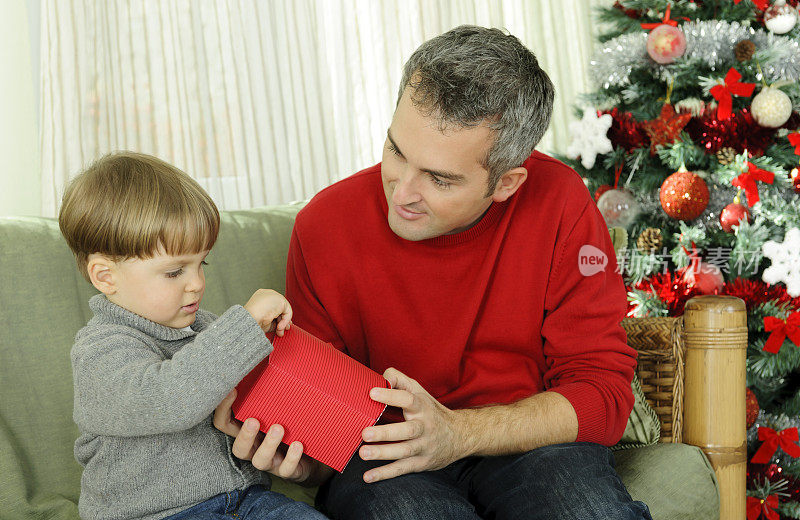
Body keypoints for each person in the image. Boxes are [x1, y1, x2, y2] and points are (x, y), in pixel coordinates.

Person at [215, 25, 652, 519]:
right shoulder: (325, 225)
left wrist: (458, 433)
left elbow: (604, 395)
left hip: (529, 444)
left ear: (506, 183)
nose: (400, 194)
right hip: (384, 454)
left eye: (440, 179)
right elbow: (321, 425)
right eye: (397, 151)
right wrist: (300, 464)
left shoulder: (560, 201)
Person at [58, 151, 328, 520]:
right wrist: (245, 326)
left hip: (247, 500)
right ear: (106, 276)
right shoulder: (99, 351)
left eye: (202, 263)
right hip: (157, 514)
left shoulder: (209, 328)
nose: (197, 283)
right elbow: (170, 398)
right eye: (174, 272)